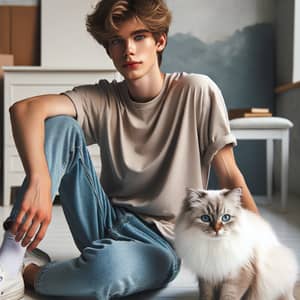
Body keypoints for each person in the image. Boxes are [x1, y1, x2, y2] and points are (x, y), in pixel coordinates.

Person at [0, 0, 259, 299]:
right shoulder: (104, 97)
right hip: (104, 218)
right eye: (116, 42)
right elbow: (25, 109)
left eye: (138, 37)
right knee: (59, 123)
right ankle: (9, 259)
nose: (128, 50)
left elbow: (229, 176)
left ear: (159, 41)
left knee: (105, 272)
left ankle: (30, 270)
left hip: (162, 242)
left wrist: (262, 250)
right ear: (109, 50)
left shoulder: (197, 91)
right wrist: (40, 180)